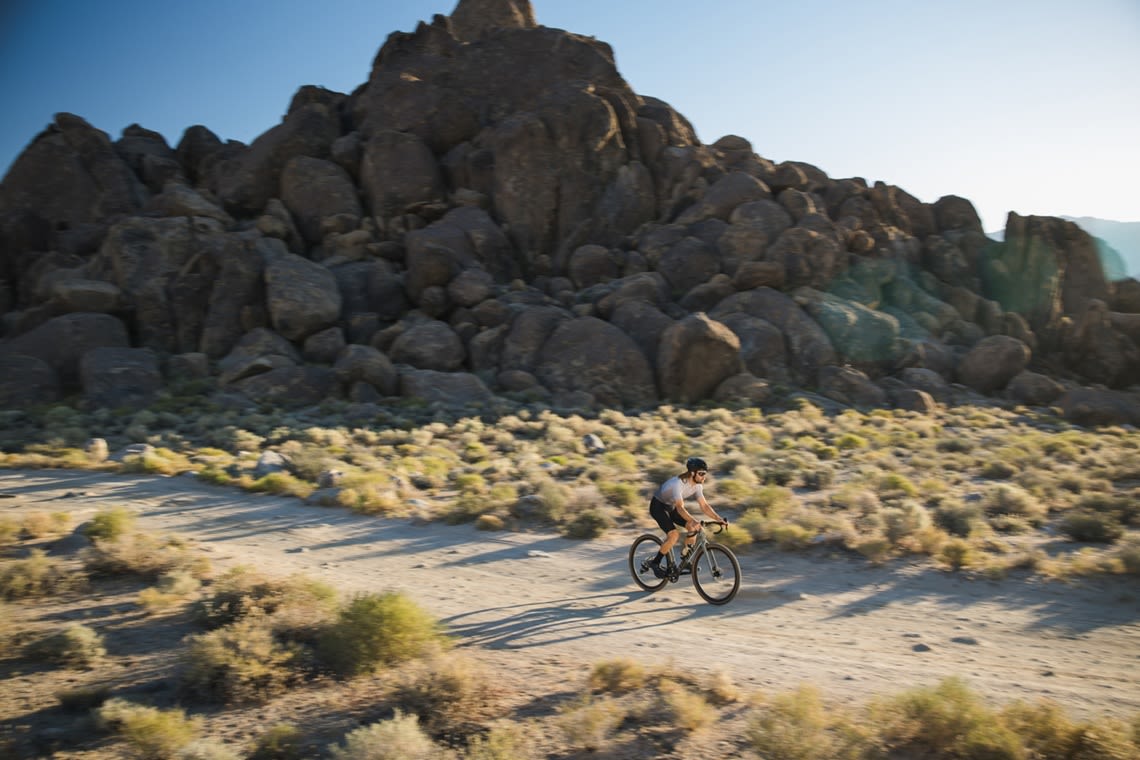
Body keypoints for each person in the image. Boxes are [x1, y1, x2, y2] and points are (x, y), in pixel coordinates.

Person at [648, 457, 727, 578]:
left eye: (705, 474)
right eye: (701, 474)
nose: (704, 477)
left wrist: (718, 519)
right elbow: (680, 508)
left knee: (693, 527)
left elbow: (704, 506)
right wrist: (693, 520)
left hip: (670, 506)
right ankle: (655, 563)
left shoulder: (697, 485)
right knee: (674, 535)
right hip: (658, 505)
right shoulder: (678, 484)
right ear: (692, 473)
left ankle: (685, 560)